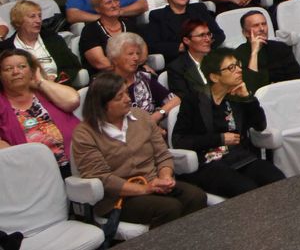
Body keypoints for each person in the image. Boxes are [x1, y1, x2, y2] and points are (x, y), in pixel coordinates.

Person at [71, 72, 207, 227]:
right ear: (102, 104)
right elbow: (102, 178)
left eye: (127, 93)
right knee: (169, 208)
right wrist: (145, 189)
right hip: (118, 197)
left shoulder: (141, 116)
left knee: (196, 196)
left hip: (154, 182)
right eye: (119, 97)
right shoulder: (85, 133)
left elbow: (162, 154)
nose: (128, 99)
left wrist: (165, 178)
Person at [172, 48, 285, 197]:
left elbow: (260, 126)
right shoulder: (193, 101)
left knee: (277, 179)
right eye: (231, 67)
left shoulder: (237, 97)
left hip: (239, 157)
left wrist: (247, 98)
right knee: (248, 190)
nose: (239, 70)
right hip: (208, 163)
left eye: (238, 65)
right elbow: (179, 141)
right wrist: (219, 139)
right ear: (214, 77)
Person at [0, 49, 81, 177]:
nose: (16, 72)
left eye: (22, 67)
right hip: (32, 173)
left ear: (32, 70)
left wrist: (40, 81)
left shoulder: (45, 91)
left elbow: (73, 100)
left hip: (75, 160)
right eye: (8, 69)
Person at [145, 0, 224, 65]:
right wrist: (184, 46)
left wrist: (201, 45)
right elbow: (153, 46)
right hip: (178, 62)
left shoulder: (199, 9)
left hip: (206, 57)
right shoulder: (158, 15)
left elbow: (219, 35)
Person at [0, 0, 81, 85]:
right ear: (18, 21)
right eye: (32, 16)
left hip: (57, 86)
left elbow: (72, 66)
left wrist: (58, 79)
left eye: (39, 16)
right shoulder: (5, 48)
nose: (38, 20)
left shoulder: (53, 39)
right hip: (23, 89)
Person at [107, 32, 180, 123]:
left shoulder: (144, 78)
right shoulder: (104, 84)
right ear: (114, 58)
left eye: (138, 53)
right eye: (130, 54)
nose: (136, 58)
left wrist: (157, 115)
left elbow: (175, 100)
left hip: (150, 128)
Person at [234, 10, 300, 93]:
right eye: (256, 25)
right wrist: (254, 53)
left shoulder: (280, 47)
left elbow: (298, 78)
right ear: (245, 33)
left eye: (264, 24)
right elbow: (250, 87)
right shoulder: (238, 54)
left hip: (287, 93)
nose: (262, 29)